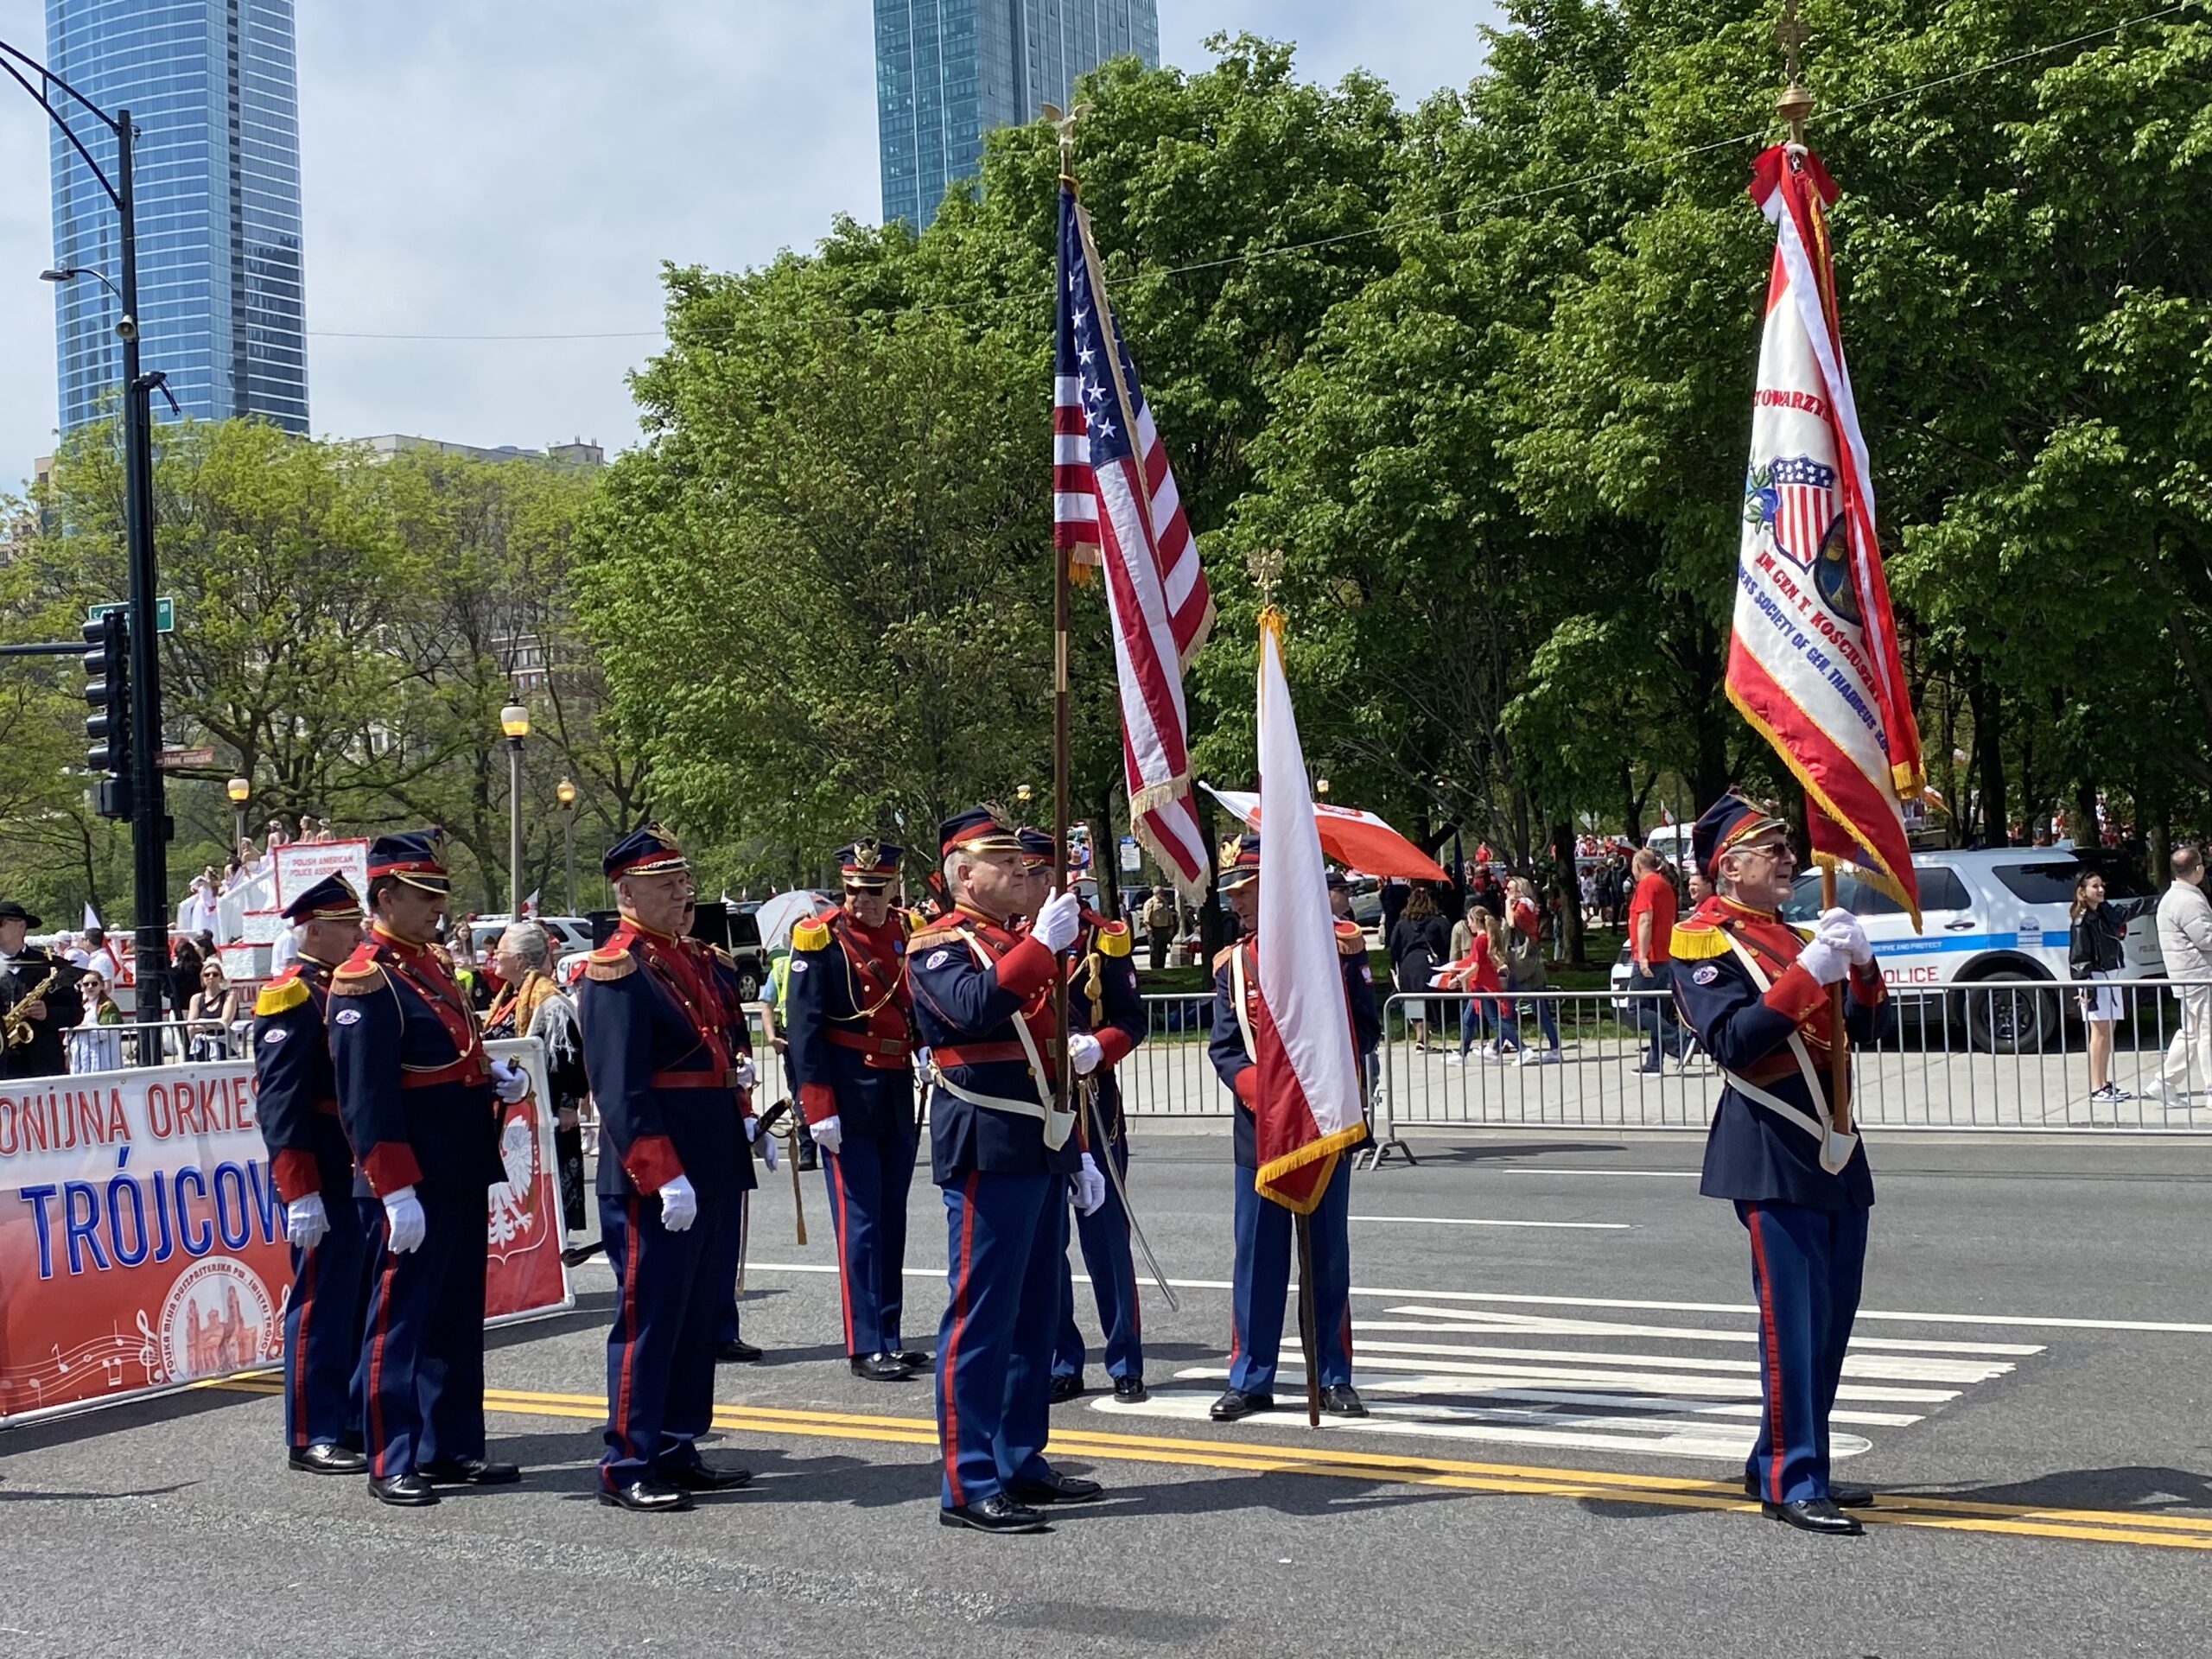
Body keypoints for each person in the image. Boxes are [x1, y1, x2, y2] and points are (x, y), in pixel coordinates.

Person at [1669, 793, 1889, 1536]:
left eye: (1788, 848)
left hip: (1834, 1144)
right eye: (1775, 850)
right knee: (1789, 1323)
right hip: (1770, 1141)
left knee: (1831, 1320)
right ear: (1729, 867)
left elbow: (1860, 1026)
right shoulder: (1701, 942)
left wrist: (1859, 967)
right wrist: (1809, 972)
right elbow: (1735, 1040)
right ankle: (1789, 1479)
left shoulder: (1797, 932)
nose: (1792, 859)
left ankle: (1803, 1457)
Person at [908, 805, 1108, 1534]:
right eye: (1003, 862)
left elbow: (1050, 1063)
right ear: (963, 875)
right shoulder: (938, 945)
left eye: (1022, 862)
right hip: (988, 1145)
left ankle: (1020, 1457)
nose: (1021, 870)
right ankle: (969, 1482)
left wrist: (1079, 1151)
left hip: (1042, 1143)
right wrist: (1035, 954)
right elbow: (969, 1011)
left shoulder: (1017, 942)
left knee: (1034, 1316)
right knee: (982, 1319)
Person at [329, 831, 527, 1507]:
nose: (438, 908)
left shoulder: (428, 964)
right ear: (385, 897)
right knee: (401, 1318)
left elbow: (445, 1048)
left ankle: (452, 1445)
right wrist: (393, 1188)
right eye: (425, 896)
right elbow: (366, 1096)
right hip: (411, 1174)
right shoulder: (365, 976)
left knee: (454, 1316)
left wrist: (489, 1074)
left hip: (461, 1162)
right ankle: (393, 1454)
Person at [575, 824, 755, 1513]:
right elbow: (620, 1088)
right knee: (650, 1316)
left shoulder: (688, 958)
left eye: (683, 878)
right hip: (659, 1170)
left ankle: (678, 1443)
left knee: (696, 1314)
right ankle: (629, 1459)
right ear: (626, 891)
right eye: (665, 882)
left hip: (708, 1155)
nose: (683, 890)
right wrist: (661, 1172)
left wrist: (738, 1114)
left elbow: (714, 1051)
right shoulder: (618, 968)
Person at [1206, 832, 1378, 1424]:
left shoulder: (1334, 950)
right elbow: (1226, 1049)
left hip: (1321, 1122)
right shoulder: (1234, 964)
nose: (1238, 901)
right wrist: (1267, 1101)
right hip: (1260, 1129)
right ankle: (1251, 1376)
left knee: (1328, 1257)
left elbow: (1364, 1029)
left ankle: (1333, 1374)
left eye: (1247, 889)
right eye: (1234, 891)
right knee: (1257, 1257)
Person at [785, 838, 925, 1382]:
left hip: (894, 1085)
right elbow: (803, 1027)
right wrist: (816, 1103)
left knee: (892, 1216)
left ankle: (888, 1332)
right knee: (860, 1221)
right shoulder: (819, 937)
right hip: (846, 1087)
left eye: (873, 890)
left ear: (892, 887)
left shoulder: (906, 930)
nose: (862, 901)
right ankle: (863, 1341)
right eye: (853, 891)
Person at [252, 874, 371, 1475]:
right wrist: (298, 1189)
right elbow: (281, 1101)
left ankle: (351, 1418)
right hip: (321, 1164)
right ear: (315, 930)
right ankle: (313, 1430)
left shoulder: (345, 987)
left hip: (357, 1164)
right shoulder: (292, 995)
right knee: (322, 1300)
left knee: (356, 1296)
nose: (359, 932)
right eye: (347, 924)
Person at [1039, 836, 1149, 1406]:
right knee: (1046, 1242)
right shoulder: (1012, 940)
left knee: (1106, 1242)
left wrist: (1099, 1048)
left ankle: (1126, 1359)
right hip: (1036, 1106)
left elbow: (1133, 1019)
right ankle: (1062, 1359)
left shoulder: (1103, 939)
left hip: (1092, 1101)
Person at [688, 904, 769, 1365]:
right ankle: (695, 1326)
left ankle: (721, 1326)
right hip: (682, 1115)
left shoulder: (714, 965)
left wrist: (746, 1102)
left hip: (722, 1105)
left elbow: (733, 1033)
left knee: (722, 1237)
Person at [485, 922, 590, 1239]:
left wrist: (569, 1105)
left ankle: (555, 1270)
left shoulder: (550, 1003)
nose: (494, 958)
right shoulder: (508, 999)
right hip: (512, 1116)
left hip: (549, 1116)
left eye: (500, 952)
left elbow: (570, 1057)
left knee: (548, 1193)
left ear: (518, 959)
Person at [0, 902, 85, 1079]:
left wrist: (48, 1014)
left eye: (1, 922)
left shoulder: (51, 965)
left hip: (43, 1064)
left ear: (21, 926)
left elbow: (76, 1013)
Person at [2153, 847, 2212, 1101]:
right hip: (2199, 975)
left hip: (2187, 974)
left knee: (2192, 1032)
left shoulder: (2172, 897)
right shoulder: (2190, 899)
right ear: (2198, 869)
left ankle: (2164, 1082)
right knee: (2207, 1033)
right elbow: (2206, 938)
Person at [2068, 870, 2131, 1105]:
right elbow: (2078, 957)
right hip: (2096, 977)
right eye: (2095, 886)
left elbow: (2124, 914)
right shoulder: (2081, 921)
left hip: (2109, 972)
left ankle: (2104, 1082)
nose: (2101, 889)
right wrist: (2085, 987)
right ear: (2083, 892)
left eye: (2102, 885)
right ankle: (2096, 1086)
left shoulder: (2103, 912)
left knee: (2108, 1030)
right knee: (2099, 1032)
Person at [1627, 849, 1688, 1073]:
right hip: (1664, 954)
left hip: (1650, 955)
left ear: (1639, 866)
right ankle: (1654, 1061)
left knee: (1636, 1006)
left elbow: (1645, 920)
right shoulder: (1664, 885)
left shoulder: (1646, 884)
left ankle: (1678, 1042)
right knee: (1656, 1008)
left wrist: (1642, 956)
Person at [1502, 876, 1562, 1063]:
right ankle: (1554, 1047)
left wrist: (1507, 904)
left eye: (1510, 889)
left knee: (1508, 1004)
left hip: (1524, 964)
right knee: (1538, 1008)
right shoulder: (1525, 905)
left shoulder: (1522, 907)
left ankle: (1499, 1046)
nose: (1506, 891)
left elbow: (1512, 923)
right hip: (1530, 964)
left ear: (1520, 890)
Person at [1387, 887, 1448, 1051]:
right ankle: (1424, 1039)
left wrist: (1394, 967)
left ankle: (1419, 1037)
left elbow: (1394, 948)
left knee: (1413, 999)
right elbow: (1446, 945)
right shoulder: (1438, 922)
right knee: (1428, 1001)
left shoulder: (1402, 924)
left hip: (1407, 965)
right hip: (1428, 964)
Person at [185, 957, 248, 1062]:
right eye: (207, 975)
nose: (211, 977)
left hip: (224, 1046)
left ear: (221, 977)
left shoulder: (230, 995)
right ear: (202, 978)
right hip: (202, 1046)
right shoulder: (196, 998)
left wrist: (201, 1023)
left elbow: (224, 1022)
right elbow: (190, 1027)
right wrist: (214, 1024)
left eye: (215, 974)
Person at [69, 970, 124, 1074]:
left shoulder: (108, 1006)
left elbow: (107, 1032)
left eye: (94, 984)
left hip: (101, 1057)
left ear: (102, 986)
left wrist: (85, 1027)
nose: (90, 987)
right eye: (86, 984)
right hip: (82, 1055)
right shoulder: (82, 1005)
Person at [1141, 886, 1178, 973]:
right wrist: (1148, 926)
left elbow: (1169, 915)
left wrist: (1171, 927)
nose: (1163, 894)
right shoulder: (1150, 903)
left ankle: (1162, 966)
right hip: (1154, 929)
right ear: (1156, 893)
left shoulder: (1165, 902)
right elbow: (1146, 917)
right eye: (1161, 892)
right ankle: (1155, 968)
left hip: (1164, 929)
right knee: (1155, 950)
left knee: (1163, 949)